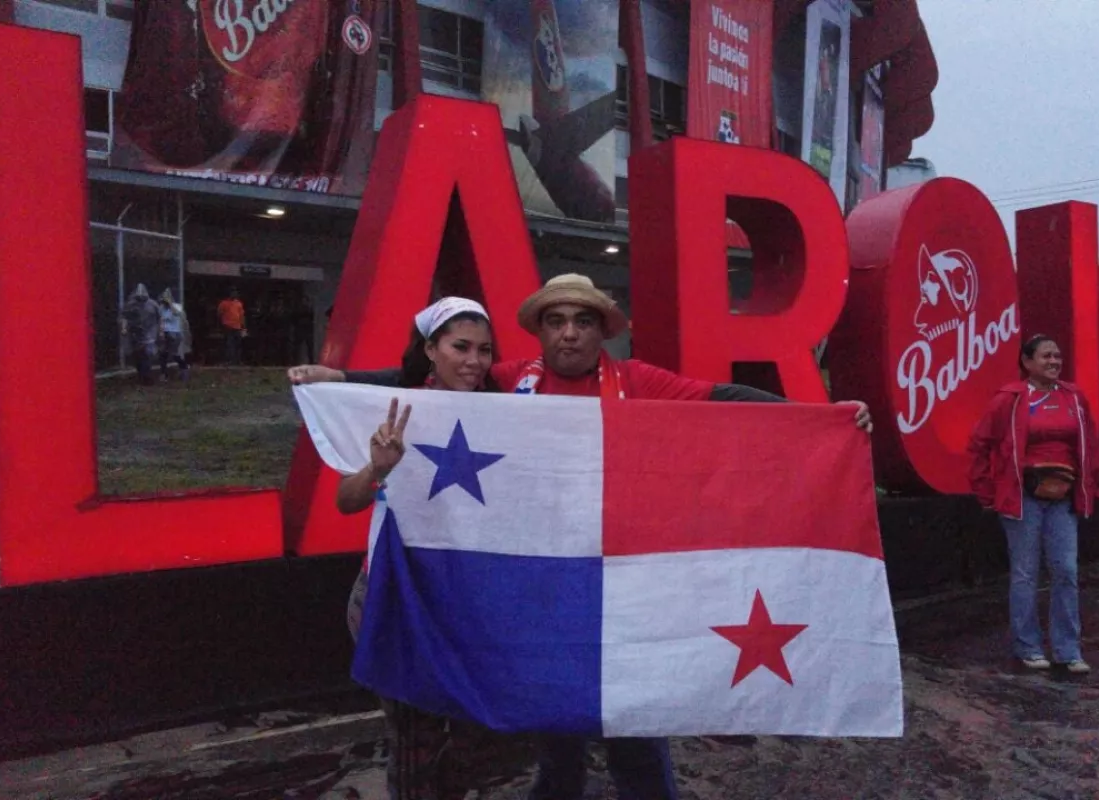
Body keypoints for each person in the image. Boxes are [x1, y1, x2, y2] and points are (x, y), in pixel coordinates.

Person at [290, 274, 873, 799]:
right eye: (556, 320)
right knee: (551, 715)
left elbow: (725, 399)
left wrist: (821, 417)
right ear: (540, 332)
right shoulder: (509, 382)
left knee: (634, 721)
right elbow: (419, 383)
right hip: (548, 583)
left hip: (622, 579)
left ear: (603, 331)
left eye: (583, 321)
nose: (569, 333)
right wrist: (338, 379)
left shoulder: (636, 381)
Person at [339, 296, 503, 800]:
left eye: (484, 350)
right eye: (460, 347)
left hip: (470, 606)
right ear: (431, 349)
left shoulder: (507, 416)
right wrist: (377, 468)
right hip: (398, 598)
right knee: (414, 740)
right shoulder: (395, 411)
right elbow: (346, 500)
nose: (474, 361)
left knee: (475, 732)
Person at [967, 334, 1099, 675]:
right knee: (1025, 573)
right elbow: (979, 444)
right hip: (1022, 499)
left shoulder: (1074, 397)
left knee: (1066, 571)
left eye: (1057, 355)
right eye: (1046, 356)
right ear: (1027, 362)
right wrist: (987, 493)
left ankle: (1068, 651)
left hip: (1063, 498)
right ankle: (1028, 647)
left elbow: (1091, 444)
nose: (1054, 361)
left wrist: (1090, 485)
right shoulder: (1010, 399)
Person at [120, 283, 161, 386]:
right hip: (136, 334)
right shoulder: (131, 305)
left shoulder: (153, 304)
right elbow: (125, 317)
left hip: (150, 333)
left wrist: (160, 331)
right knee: (138, 356)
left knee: (147, 355)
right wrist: (124, 328)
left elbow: (159, 318)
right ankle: (142, 375)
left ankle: (147, 377)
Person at [158, 289, 190, 381]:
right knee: (163, 354)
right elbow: (161, 320)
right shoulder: (162, 308)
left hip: (175, 333)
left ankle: (184, 368)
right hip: (165, 332)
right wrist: (161, 332)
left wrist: (170, 304)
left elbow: (176, 313)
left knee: (174, 354)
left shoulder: (177, 306)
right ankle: (164, 374)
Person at [218, 287, 246, 366]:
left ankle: (238, 360)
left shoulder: (239, 303)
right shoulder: (223, 303)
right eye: (233, 292)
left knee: (238, 345)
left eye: (235, 292)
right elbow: (219, 314)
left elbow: (242, 316)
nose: (234, 294)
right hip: (227, 326)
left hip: (237, 327)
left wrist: (243, 327)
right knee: (229, 344)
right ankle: (229, 360)